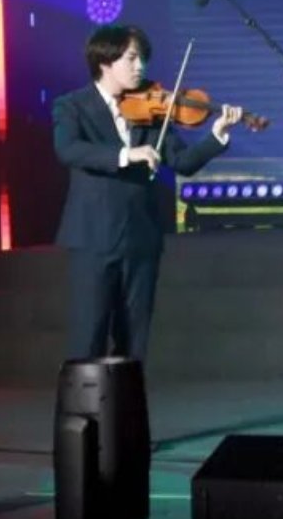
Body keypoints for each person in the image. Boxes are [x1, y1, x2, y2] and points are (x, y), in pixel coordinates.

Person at [53, 24, 242, 363]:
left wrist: (216, 135)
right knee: (89, 335)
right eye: (131, 58)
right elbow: (68, 149)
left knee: (134, 340)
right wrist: (126, 155)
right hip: (94, 236)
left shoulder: (152, 111)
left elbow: (182, 162)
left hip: (141, 237)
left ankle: (128, 399)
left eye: (143, 58)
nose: (140, 66)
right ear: (105, 61)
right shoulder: (72, 106)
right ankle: (84, 401)